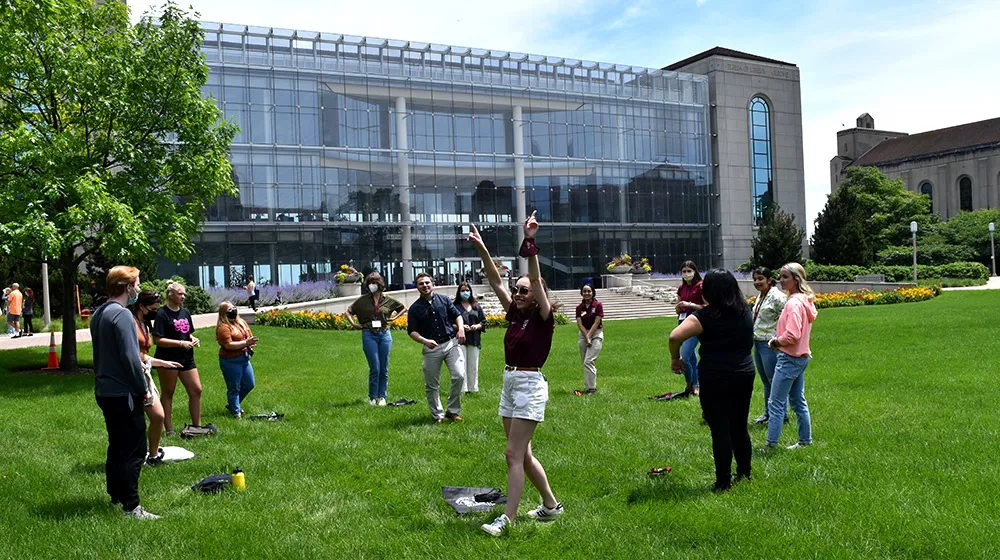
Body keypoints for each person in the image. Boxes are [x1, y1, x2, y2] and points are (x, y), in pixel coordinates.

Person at [469, 211, 564, 537]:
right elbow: (496, 280)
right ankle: (551, 506)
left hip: (529, 384)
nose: (519, 293)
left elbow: (536, 281)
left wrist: (531, 243)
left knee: (512, 454)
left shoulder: (544, 317)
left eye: (524, 290)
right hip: (510, 382)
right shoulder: (514, 313)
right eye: (518, 290)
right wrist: (482, 248)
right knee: (523, 454)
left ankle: (506, 519)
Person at [669, 268, 754, 492]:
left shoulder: (705, 317)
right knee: (739, 426)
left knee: (720, 428)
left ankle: (723, 481)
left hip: (716, 375)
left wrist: (675, 359)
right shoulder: (746, 310)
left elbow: (674, 336)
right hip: (744, 372)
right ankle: (744, 474)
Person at [91, 266, 160, 519]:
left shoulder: (99, 314)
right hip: (123, 393)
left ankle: (116, 497)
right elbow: (131, 359)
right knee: (134, 448)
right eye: (137, 284)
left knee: (117, 445)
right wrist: (142, 390)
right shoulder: (122, 315)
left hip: (105, 391)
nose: (139, 289)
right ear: (126, 287)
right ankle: (132, 506)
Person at [765, 263, 818, 450]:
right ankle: (805, 441)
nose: (781, 280)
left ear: (797, 279)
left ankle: (770, 445)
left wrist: (775, 342)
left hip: (789, 359)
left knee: (776, 403)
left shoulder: (794, 303)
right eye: (780, 276)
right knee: (797, 400)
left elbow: (792, 335)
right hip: (800, 358)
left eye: (785, 276)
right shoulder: (804, 300)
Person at [129, 291, 182, 466]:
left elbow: (143, 354)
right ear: (141, 306)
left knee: (158, 416)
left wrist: (165, 363)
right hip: (132, 375)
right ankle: (135, 456)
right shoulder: (130, 323)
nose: (155, 312)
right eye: (152, 309)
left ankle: (152, 455)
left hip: (145, 372)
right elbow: (131, 353)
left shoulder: (145, 324)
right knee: (139, 419)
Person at [407, 273, 467, 422]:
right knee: (432, 384)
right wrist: (425, 341)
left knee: (459, 375)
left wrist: (461, 329)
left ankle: (452, 411)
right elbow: (412, 331)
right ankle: (438, 415)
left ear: (432, 284)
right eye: (421, 284)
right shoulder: (415, 308)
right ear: (417, 287)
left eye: (427, 282)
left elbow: (457, 315)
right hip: (431, 348)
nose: (425, 285)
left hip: (451, 343)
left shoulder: (444, 300)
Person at [346, 272, 407, 406]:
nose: (372, 285)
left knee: (384, 367)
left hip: (384, 333)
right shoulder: (363, 300)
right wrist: (354, 324)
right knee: (375, 367)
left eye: (374, 283)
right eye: (370, 283)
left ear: (380, 284)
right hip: (369, 333)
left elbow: (403, 308)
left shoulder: (388, 300)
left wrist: (394, 318)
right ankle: (372, 397)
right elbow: (348, 311)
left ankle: (382, 397)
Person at [152, 281, 203, 434]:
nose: (183, 296)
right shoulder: (162, 314)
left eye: (184, 293)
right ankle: (169, 429)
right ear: (171, 294)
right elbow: (157, 340)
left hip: (187, 357)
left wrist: (193, 338)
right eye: (180, 293)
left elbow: (187, 333)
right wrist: (180, 343)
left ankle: (197, 426)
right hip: (168, 359)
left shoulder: (185, 312)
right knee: (168, 393)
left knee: (196, 390)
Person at [750, 267, 787, 425]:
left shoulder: (778, 297)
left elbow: (786, 318)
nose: (757, 282)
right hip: (757, 342)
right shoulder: (760, 296)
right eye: (755, 279)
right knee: (766, 381)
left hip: (770, 343)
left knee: (774, 381)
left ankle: (781, 415)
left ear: (770, 280)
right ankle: (768, 413)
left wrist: (779, 338)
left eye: (760, 279)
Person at [216, 302, 259, 418]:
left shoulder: (242, 323)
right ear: (224, 313)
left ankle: (232, 404)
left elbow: (249, 336)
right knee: (234, 387)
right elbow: (228, 345)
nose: (233, 310)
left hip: (244, 359)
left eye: (233, 307)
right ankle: (236, 413)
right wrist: (245, 343)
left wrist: (250, 342)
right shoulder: (223, 327)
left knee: (249, 384)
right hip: (230, 360)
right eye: (229, 309)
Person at [675, 261, 706, 395]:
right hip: (682, 322)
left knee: (685, 356)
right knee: (692, 358)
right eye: (684, 271)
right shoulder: (681, 288)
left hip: (695, 324)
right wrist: (678, 307)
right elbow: (678, 308)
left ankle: (689, 384)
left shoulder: (700, 286)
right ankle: (695, 385)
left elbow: (706, 307)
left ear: (695, 271)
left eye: (689, 271)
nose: (687, 274)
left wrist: (691, 304)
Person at [453, 282, 487, 394]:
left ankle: (473, 389)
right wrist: (460, 327)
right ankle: (463, 389)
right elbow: (449, 323)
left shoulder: (476, 306)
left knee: (473, 365)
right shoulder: (454, 307)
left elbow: (483, 321)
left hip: (474, 339)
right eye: (462, 290)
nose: (465, 292)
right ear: (459, 292)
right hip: (460, 340)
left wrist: (477, 326)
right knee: (461, 365)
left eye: (467, 290)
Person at [574, 284, 604, 396]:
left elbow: (597, 322)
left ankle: (592, 389)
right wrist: (586, 336)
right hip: (583, 334)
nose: (587, 293)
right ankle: (588, 386)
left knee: (589, 361)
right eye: (584, 291)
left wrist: (590, 336)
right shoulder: (579, 307)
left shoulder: (598, 305)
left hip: (596, 333)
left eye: (589, 291)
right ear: (581, 293)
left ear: (593, 292)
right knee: (585, 361)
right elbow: (579, 323)